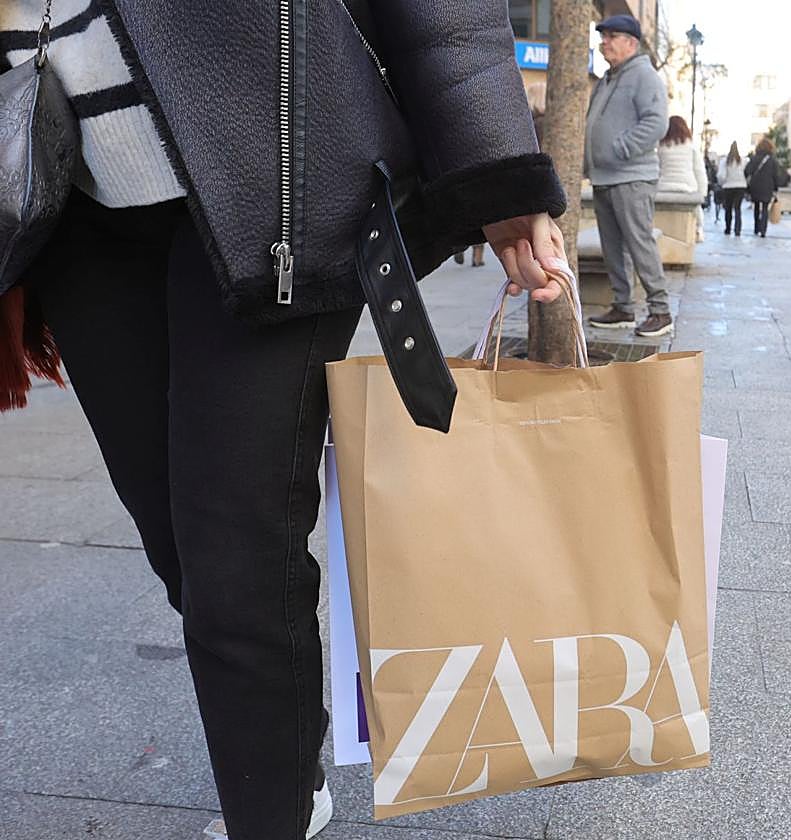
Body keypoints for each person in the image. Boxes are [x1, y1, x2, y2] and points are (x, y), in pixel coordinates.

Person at [0, 2, 568, 839]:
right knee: (183, 552)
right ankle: (290, 756)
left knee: (234, 562)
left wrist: (496, 165)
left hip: (274, 169)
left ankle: (271, 813)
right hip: (64, 178)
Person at [584, 14, 673, 337]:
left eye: (611, 36)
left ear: (631, 43)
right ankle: (623, 307)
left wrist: (619, 149)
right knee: (612, 247)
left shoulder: (644, 76)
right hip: (606, 177)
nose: (604, 41)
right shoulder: (609, 78)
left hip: (632, 176)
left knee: (639, 244)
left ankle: (660, 311)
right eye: (603, 36)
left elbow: (656, 123)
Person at [657, 116, 708, 244]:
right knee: (696, 211)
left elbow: (656, 169)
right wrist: (702, 193)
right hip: (687, 187)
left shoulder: (661, 147)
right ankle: (698, 230)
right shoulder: (691, 147)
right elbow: (700, 171)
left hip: (664, 187)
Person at [745, 138, 786, 237]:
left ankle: (756, 227)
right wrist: (776, 188)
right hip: (768, 187)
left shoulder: (754, 158)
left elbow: (747, 171)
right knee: (764, 208)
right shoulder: (772, 160)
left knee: (756, 207)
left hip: (755, 186)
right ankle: (763, 230)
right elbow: (776, 175)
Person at [718, 141, 748, 236]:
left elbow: (721, 176)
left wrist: (722, 183)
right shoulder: (743, 161)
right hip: (740, 186)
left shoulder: (725, 161)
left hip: (728, 186)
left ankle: (728, 228)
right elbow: (747, 173)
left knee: (728, 208)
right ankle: (737, 230)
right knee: (738, 208)